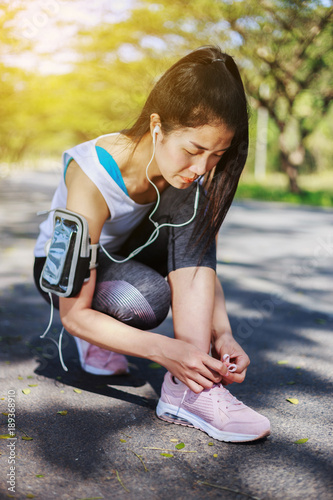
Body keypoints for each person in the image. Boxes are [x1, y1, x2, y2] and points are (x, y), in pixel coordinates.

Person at [34, 46, 270, 443]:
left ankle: (188, 393)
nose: (201, 168)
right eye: (194, 150)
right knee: (145, 297)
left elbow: (198, 264)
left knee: (191, 203)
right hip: (66, 276)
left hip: (130, 255)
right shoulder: (91, 177)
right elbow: (72, 315)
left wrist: (222, 335)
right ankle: (123, 345)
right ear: (158, 126)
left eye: (217, 155)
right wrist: (165, 350)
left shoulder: (188, 180)